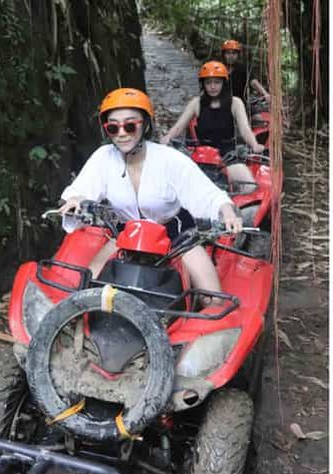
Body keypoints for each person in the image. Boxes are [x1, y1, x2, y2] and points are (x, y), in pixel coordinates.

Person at [58, 87, 241, 301]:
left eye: (129, 125)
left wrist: (226, 211)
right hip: (127, 235)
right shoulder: (103, 157)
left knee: (213, 299)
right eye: (113, 128)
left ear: (145, 124)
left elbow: (208, 194)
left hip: (175, 235)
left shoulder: (170, 159)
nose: (122, 133)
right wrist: (75, 200)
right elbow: (78, 191)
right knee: (84, 292)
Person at [160, 61, 264, 193]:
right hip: (202, 156)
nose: (213, 87)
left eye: (217, 82)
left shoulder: (235, 103)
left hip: (228, 154)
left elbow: (244, 129)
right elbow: (179, 127)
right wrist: (167, 137)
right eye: (208, 83)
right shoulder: (196, 103)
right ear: (203, 84)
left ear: (224, 83)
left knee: (249, 186)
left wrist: (254, 144)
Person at [220, 39, 270, 104]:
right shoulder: (218, 68)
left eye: (234, 53)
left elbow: (253, 82)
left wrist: (265, 94)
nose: (231, 56)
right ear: (223, 55)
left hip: (241, 103)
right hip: (222, 103)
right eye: (228, 53)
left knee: (257, 114)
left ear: (238, 55)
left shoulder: (243, 68)